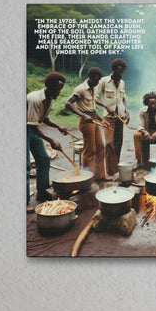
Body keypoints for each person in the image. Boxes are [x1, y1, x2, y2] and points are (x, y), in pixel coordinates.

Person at [26, 72, 68, 209]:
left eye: (60, 89)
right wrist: (51, 140)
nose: (59, 91)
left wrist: (58, 126)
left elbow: (44, 119)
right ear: (49, 86)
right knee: (26, 166)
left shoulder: (49, 98)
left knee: (43, 160)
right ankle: (25, 202)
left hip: (33, 128)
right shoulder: (35, 99)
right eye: (58, 88)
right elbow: (33, 126)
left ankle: (42, 192)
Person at [65, 67, 105, 180]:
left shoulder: (93, 88)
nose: (97, 83)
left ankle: (100, 176)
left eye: (99, 80)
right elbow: (68, 104)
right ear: (90, 77)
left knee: (101, 148)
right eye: (96, 80)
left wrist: (101, 119)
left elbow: (92, 108)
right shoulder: (80, 89)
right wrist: (83, 115)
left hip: (94, 120)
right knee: (90, 151)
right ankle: (87, 179)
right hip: (86, 122)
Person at [95, 58, 129, 178]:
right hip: (108, 117)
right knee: (109, 143)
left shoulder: (122, 83)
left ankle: (116, 167)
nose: (120, 74)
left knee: (118, 143)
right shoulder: (104, 81)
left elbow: (123, 99)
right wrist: (106, 105)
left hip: (120, 116)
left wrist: (127, 111)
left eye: (122, 72)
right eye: (119, 72)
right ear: (113, 70)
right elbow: (95, 97)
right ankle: (110, 172)